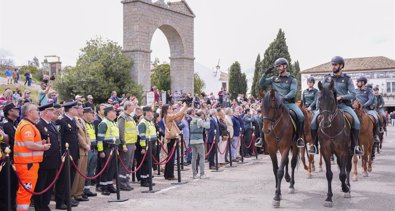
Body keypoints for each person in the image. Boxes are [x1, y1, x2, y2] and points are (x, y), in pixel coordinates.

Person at [310, 56, 363, 155]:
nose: (333, 67)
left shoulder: (347, 79)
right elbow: (321, 93)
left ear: (341, 66)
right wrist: (318, 108)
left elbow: (353, 94)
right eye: (332, 65)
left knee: (357, 122)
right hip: (327, 107)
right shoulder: (326, 78)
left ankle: (355, 146)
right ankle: (315, 146)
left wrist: (341, 97)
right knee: (313, 123)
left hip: (343, 106)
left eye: (335, 65)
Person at [259, 58, 305, 147]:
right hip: (275, 104)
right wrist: (265, 74)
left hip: (289, 103)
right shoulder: (273, 78)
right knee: (262, 117)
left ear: (285, 66)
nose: (278, 68)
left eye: (279, 66)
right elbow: (261, 83)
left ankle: (299, 138)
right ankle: (261, 139)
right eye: (277, 67)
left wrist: (284, 97)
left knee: (301, 116)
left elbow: (293, 91)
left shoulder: (292, 79)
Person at [13, 103, 51, 211]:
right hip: (27, 164)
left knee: (27, 192)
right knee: (25, 192)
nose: (38, 112)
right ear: (30, 113)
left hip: (29, 163)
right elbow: (28, 144)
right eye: (36, 110)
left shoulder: (29, 124)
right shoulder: (27, 126)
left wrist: (39, 143)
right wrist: (42, 147)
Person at [34, 103, 62, 211]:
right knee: (41, 185)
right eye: (52, 111)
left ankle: (45, 205)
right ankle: (39, 207)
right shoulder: (39, 124)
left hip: (53, 160)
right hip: (44, 160)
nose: (54, 113)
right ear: (46, 112)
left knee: (49, 184)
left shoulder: (51, 124)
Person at [55, 101, 81, 209]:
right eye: (76, 108)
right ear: (70, 110)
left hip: (73, 153)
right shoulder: (61, 121)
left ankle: (67, 199)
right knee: (63, 179)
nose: (78, 110)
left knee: (70, 178)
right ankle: (60, 202)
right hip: (65, 154)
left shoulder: (73, 121)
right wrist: (61, 154)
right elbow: (59, 139)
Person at [0, 103, 19, 211]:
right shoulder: (7, 125)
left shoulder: (14, 124)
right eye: (15, 109)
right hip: (8, 161)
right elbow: (13, 142)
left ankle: (12, 206)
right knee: (7, 186)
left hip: (14, 161)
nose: (17, 110)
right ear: (10, 112)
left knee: (13, 186)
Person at [161, 103, 187, 180]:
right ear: (166, 110)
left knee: (171, 156)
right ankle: (170, 174)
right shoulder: (168, 116)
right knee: (171, 157)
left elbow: (177, 119)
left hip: (172, 137)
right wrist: (184, 108)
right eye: (169, 108)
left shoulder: (168, 116)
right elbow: (177, 115)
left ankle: (167, 174)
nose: (171, 109)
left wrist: (183, 114)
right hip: (171, 137)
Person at [96, 105, 119, 195]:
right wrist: (101, 151)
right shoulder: (104, 123)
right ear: (109, 113)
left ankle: (110, 185)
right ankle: (103, 187)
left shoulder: (113, 122)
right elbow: (100, 139)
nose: (115, 113)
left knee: (112, 168)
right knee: (105, 168)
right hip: (107, 148)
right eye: (113, 112)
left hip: (113, 148)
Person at [71, 104, 91, 202]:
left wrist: (88, 144)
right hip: (80, 149)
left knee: (83, 173)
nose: (82, 110)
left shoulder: (82, 120)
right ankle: (73, 193)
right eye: (80, 108)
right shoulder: (74, 120)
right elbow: (78, 135)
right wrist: (85, 145)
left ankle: (79, 193)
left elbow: (87, 134)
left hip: (85, 150)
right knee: (77, 174)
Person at [117, 101, 137, 191]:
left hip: (132, 143)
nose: (134, 107)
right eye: (133, 106)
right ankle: (121, 183)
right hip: (126, 144)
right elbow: (121, 131)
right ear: (128, 106)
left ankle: (126, 181)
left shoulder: (130, 117)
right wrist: (123, 144)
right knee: (124, 164)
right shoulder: (123, 117)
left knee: (129, 164)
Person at [355, 77, 381, 143]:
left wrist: (363, 105)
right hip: (357, 109)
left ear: (363, 82)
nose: (357, 83)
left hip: (368, 109)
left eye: (358, 82)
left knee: (376, 117)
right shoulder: (356, 90)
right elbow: (352, 99)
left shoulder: (369, 90)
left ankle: (375, 135)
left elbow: (371, 100)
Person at [137, 106, 158, 186]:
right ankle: (144, 180)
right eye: (150, 112)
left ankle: (148, 179)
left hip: (152, 144)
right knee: (145, 163)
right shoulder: (143, 123)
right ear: (147, 113)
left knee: (150, 163)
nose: (152, 113)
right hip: (146, 145)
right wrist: (143, 147)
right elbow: (142, 137)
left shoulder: (150, 122)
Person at [189, 109, 210, 179]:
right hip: (199, 140)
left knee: (194, 158)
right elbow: (207, 126)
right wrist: (207, 119)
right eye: (204, 115)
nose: (204, 116)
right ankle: (202, 174)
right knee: (202, 157)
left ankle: (194, 174)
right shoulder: (199, 120)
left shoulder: (192, 120)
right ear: (201, 115)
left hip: (192, 140)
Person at [82, 107, 98, 197]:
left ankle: (87, 189)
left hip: (93, 148)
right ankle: (82, 190)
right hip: (87, 149)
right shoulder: (83, 123)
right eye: (91, 114)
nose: (93, 115)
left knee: (91, 171)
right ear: (85, 114)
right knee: (85, 170)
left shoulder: (91, 124)